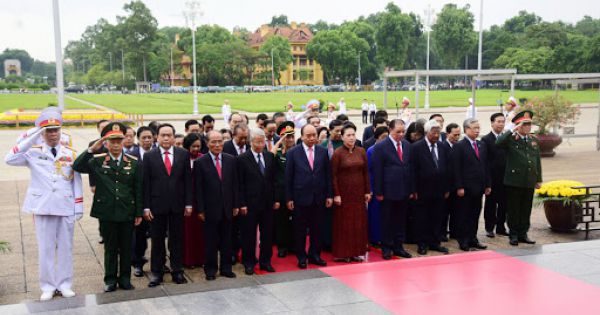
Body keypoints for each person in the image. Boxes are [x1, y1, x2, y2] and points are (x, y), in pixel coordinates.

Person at [5, 108, 83, 301]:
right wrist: (33, 135)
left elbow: (77, 181)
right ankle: (47, 286)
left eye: (56, 129)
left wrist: (78, 207)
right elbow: (10, 158)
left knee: (65, 247)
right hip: (43, 205)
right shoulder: (32, 152)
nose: (53, 133)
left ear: (61, 130)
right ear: (43, 133)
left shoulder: (71, 153)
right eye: (48, 130)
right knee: (46, 248)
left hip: (65, 205)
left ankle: (64, 284)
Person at [73, 122, 143, 292]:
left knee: (126, 248)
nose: (116, 144)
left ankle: (125, 279)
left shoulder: (133, 162)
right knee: (110, 248)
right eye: (112, 141)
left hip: (127, 211)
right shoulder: (98, 161)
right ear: (106, 143)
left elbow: (138, 189)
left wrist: (138, 212)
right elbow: (77, 166)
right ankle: (110, 279)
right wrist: (92, 149)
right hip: (107, 212)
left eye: (119, 140)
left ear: (124, 141)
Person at [143, 123, 193, 287]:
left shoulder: (183, 154)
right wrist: (146, 207)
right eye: (162, 135)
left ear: (173, 137)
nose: (166, 138)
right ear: (157, 137)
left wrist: (188, 203)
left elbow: (187, 181)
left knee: (177, 239)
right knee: (157, 240)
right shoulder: (149, 156)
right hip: (157, 205)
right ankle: (156, 273)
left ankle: (177, 271)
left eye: (169, 135)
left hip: (178, 204)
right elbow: (146, 183)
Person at [285, 124, 333, 269]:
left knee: (317, 229)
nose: (312, 138)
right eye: (309, 136)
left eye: (314, 135)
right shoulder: (293, 153)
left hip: (319, 197)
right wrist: (289, 198)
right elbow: (289, 177)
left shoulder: (323, 152)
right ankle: (301, 256)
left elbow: (327, 175)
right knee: (299, 230)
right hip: (300, 198)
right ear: (302, 136)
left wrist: (329, 195)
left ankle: (314, 255)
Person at [194, 131, 239, 281]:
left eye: (220, 141)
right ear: (207, 144)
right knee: (211, 242)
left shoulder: (231, 160)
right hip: (209, 209)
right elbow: (198, 188)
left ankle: (226, 268)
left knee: (227, 240)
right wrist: (200, 209)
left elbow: (235, 185)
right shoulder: (200, 163)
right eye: (213, 142)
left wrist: (235, 205)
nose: (217, 145)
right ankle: (211, 270)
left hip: (227, 208)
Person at [496, 110, 542, 246]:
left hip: (529, 180)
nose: (528, 127)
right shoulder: (510, 139)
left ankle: (523, 233)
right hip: (514, 180)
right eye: (525, 124)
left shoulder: (533, 140)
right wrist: (512, 130)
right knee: (514, 209)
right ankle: (514, 234)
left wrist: (538, 178)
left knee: (526, 209)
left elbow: (537, 160)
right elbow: (498, 143)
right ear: (518, 126)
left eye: (529, 124)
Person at [371, 119, 413, 260]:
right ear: (390, 130)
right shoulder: (381, 147)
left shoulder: (407, 145)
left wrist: (411, 189)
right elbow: (377, 171)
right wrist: (379, 192)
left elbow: (409, 168)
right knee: (387, 221)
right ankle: (387, 247)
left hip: (404, 190)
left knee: (400, 221)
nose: (401, 134)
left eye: (403, 132)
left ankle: (398, 246)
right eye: (398, 132)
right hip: (388, 192)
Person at [238, 128, 277, 275]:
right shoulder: (242, 159)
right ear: (251, 142)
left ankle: (265, 261)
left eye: (262, 142)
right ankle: (249, 262)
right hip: (249, 204)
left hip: (267, 204)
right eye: (257, 142)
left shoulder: (269, 156)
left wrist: (275, 199)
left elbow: (273, 180)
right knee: (249, 235)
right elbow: (240, 184)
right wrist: (242, 203)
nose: (260, 145)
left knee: (267, 235)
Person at [411, 120, 451, 255]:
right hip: (422, 190)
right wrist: (414, 189)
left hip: (439, 190)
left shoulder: (443, 147)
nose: (436, 135)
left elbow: (447, 168)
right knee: (422, 217)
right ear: (427, 133)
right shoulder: (417, 147)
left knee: (437, 217)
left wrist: (446, 188)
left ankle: (435, 242)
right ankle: (422, 243)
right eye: (434, 132)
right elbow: (413, 170)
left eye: (438, 132)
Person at [331, 124, 370, 262]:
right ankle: (344, 253)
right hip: (344, 194)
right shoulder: (338, 153)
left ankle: (356, 252)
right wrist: (336, 194)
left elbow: (365, 172)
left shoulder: (361, 151)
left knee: (358, 223)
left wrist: (367, 191)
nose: (352, 137)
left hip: (358, 194)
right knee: (344, 224)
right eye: (348, 135)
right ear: (342, 137)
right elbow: (333, 175)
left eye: (353, 134)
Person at [452, 118, 491, 251]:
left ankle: (473, 238)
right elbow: (456, 169)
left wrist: (487, 184)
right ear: (467, 129)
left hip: (479, 187)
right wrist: (459, 186)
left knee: (475, 213)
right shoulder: (459, 146)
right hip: (465, 188)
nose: (477, 130)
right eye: (474, 128)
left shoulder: (481, 145)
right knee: (464, 215)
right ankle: (463, 240)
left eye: (478, 128)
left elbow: (485, 165)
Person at [130, 126, 155, 276]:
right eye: (144, 138)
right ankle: (137, 262)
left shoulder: (158, 154)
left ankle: (159, 263)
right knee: (139, 234)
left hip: (155, 200)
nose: (147, 140)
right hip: (139, 201)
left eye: (149, 137)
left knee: (157, 235)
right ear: (138, 140)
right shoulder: (132, 156)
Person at [271, 122, 296, 258]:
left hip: (295, 192)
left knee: (295, 221)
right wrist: (279, 143)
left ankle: (293, 245)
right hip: (281, 193)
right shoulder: (278, 153)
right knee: (281, 221)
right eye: (287, 137)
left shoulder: (298, 151)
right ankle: (282, 246)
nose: (290, 140)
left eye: (292, 136)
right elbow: (269, 157)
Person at [482, 113, 509, 238]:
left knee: (504, 204)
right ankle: (489, 227)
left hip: (505, 178)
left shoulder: (507, 138)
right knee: (491, 204)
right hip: (492, 178)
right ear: (492, 123)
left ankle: (501, 226)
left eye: (503, 122)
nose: (501, 124)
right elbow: (485, 162)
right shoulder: (486, 140)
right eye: (498, 121)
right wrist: (487, 181)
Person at [182, 133, 205, 268]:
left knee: (201, 232)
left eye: (198, 146)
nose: (196, 149)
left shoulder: (203, 158)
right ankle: (188, 260)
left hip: (200, 200)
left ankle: (201, 258)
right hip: (186, 201)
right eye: (193, 146)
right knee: (187, 232)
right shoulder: (182, 158)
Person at [366, 126, 389, 246]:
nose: (385, 140)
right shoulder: (371, 150)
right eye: (383, 138)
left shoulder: (389, 149)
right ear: (377, 138)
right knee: (375, 214)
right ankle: (375, 238)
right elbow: (368, 171)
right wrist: (370, 189)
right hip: (375, 187)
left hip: (388, 187)